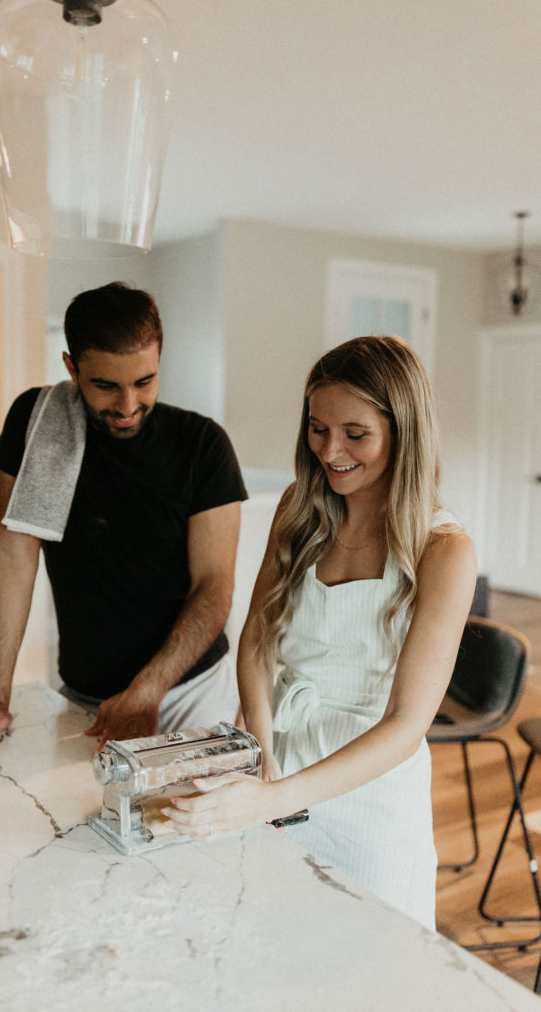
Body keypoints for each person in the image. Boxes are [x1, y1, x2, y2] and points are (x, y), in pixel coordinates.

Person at [163, 335, 476, 930]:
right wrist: (262, 748)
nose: (330, 451)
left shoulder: (444, 549)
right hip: (277, 754)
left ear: (403, 431)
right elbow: (256, 636)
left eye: (355, 434)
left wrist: (275, 798)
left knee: (370, 963)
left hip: (371, 788)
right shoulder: (299, 509)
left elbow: (408, 724)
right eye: (317, 428)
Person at [0, 282, 247, 752]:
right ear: (72, 367)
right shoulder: (36, 423)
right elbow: (11, 556)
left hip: (188, 692)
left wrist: (147, 691)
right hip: (82, 693)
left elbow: (213, 587)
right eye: (106, 386)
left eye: (144, 382)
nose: (128, 406)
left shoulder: (203, 446)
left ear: (160, 356)